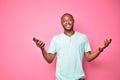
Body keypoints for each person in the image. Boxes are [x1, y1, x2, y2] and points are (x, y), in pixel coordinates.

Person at [33, 13, 112, 80]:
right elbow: (49, 60)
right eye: (64, 21)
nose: (67, 22)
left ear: (73, 21)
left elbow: (88, 58)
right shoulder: (56, 39)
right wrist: (42, 48)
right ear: (61, 23)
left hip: (79, 78)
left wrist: (100, 49)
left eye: (69, 20)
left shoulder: (83, 38)